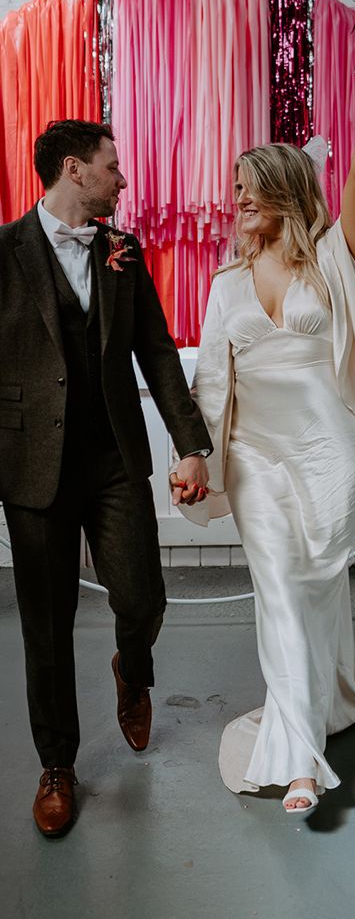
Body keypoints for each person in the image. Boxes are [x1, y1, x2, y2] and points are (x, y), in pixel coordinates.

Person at [171, 27, 355, 817]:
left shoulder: (337, 258)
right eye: (234, 187)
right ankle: (301, 761)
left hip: (327, 449)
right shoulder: (226, 283)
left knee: (313, 581)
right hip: (254, 453)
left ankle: (335, 688)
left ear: (283, 188)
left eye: (249, 186)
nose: (236, 199)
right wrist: (196, 461)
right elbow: (212, 382)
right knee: (276, 583)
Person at [0, 119, 212, 838]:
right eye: (113, 167)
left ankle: (133, 666)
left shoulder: (122, 251)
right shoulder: (3, 252)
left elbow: (155, 352)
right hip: (31, 467)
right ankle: (56, 767)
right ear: (75, 170)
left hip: (116, 459)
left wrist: (191, 447)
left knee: (143, 594)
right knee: (46, 624)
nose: (123, 180)